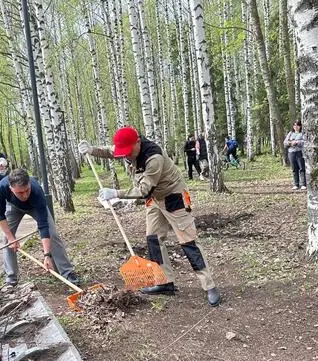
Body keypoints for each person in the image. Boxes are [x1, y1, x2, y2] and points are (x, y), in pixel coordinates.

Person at [78, 127, 221, 307]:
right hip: (154, 199)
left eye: (128, 152)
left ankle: (209, 286)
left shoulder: (154, 158)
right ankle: (164, 282)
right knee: (153, 239)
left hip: (173, 196)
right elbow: (110, 151)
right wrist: (92, 149)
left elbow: (143, 190)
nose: (126, 156)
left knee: (188, 241)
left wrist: (115, 192)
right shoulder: (127, 147)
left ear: (138, 142)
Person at [0, 168, 79, 287]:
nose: (24, 195)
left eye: (27, 190)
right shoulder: (1, 188)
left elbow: (43, 226)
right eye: (20, 192)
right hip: (13, 207)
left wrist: (46, 255)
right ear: (10, 188)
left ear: (29, 183)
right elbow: (0, 216)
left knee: (52, 234)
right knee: (7, 240)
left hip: (34, 207)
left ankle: (67, 272)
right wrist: (10, 237)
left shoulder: (36, 191)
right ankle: (11, 277)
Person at [283, 120, 306, 190]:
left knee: (301, 168)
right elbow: (285, 142)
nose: (296, 127)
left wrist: (297, 142)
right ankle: (296, 184)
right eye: (294, 125)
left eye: (297, 125)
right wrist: (290, 143)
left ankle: (303, 184)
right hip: (291, 153)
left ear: (300, 126)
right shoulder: (290, 133)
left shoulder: (302, 134)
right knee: (294, 169)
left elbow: (305, 142)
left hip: (300, 152)